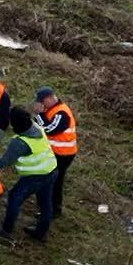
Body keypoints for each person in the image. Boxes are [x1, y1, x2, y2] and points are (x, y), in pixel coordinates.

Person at [0, 107, 59, 241]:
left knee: (14, 197)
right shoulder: (36, 127)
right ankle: (41, 232)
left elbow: (4, 162)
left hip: (36, 176)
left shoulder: (20, 142)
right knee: (46, 202)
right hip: (51, 170)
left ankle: (6, 229)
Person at [35, 87, 78, 221]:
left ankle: (54, 210)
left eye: (41, 102)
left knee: (55, 182)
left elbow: (48, 129)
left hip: (63, 154)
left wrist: (39, 115)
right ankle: (48, 207)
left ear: (49, 99)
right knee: (50, 180)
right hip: (55, 152)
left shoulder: (62, 113)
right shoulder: (51, 109)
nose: (40, 105)